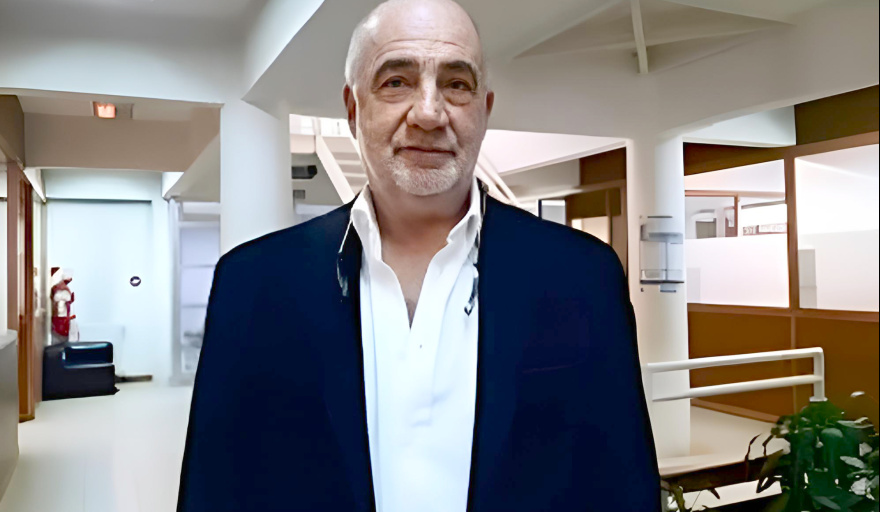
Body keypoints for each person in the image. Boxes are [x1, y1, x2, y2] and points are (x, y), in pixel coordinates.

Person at [177, 0, 659, 510]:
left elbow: (622, 484)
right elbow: (216, 487)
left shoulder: (583, 277)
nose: (429, 113)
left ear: (484, 109)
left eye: (457, 84)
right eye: (396, 81)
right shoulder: (253, 284)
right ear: (353, 108)